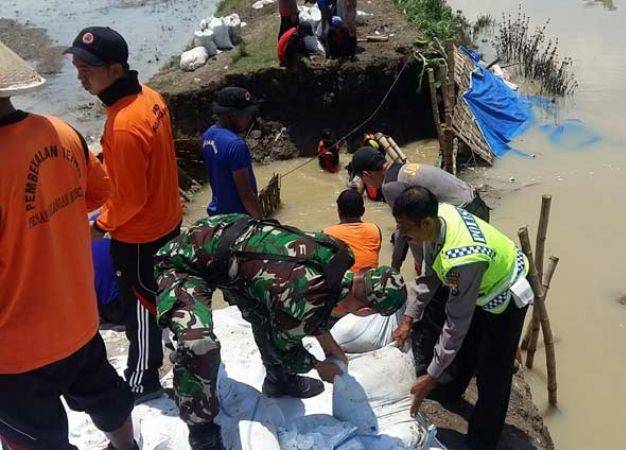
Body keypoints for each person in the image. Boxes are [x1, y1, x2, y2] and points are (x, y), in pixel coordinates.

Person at [155, 214, 407, 450]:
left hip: (229, 239)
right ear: (364, 312)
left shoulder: (340, 254)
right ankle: (201, 430)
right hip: (185, 260)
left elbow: (304, 298)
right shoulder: (305, 299)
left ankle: (278, 382)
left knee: (264, 314)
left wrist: (330, 345)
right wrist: (319, 365)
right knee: (199, 344)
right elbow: (288, 349)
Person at [0, 41, 137, 449]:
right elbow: (98, 193)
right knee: (106, 399)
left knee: (33, 437)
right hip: (76, 318)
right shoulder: (59, 130)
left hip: (15, 347)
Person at [65, 26, 182, 402]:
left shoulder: (125, 124)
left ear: (115, 70)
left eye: (88, 69)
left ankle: (143, 377)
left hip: (140, 235)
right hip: (166, 217)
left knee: (141, 307)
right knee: (157, 295)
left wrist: (99, 225)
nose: (81, 76)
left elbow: (130, 199)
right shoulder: (150, 97)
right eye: (78, 67)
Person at [390, 186, 532, 450]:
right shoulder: (439, 218)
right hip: (480, 286)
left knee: (493, 371)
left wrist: (430, 376)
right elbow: (429, 277)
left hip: (505, 294)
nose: (402, 233)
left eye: (405, 227)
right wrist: (408, 319)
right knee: (466, 348)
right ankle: (451, 390)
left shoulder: (462, 258)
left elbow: (456, 322)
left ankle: (483, 439)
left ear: (426, 223)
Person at [349, 146, 486, 271]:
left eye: (361, 178)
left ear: (367, 175)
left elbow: (406, 229)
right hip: (477, 205)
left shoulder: (389, 186)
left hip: (464, 215)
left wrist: (398, 267)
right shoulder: (401, 168)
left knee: (445, 276)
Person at [202, 87, 263, 218]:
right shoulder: (236, 145)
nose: (249, 119)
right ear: (230, 115)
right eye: (245, 115)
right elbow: (246, 195)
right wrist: (261, 222)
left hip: (217, 216)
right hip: (239, 220)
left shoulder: (207, 135)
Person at [323, 189, 381, 274]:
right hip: (371, 282)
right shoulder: (374, 229)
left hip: (345, 283)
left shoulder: (327, 233)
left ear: (339, 211)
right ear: (363, 211)